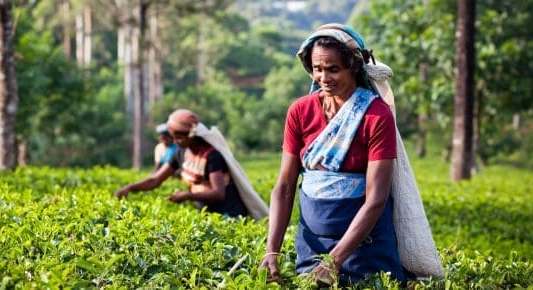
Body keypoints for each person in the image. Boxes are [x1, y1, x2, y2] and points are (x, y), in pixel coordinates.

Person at [260, 24, 405, 286]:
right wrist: (272, 251)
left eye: (333, 69)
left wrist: (334, 261)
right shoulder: (300, 111)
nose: (324, 78)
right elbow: (284, 187)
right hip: (312, 247)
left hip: (366, 251)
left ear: (353, 67)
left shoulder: (376, 115)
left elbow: (376, 199)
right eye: (318, 69)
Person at [114, 109, 269, 220]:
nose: (175, 142)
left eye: (179, 138)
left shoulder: (211, 156)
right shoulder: (180, 153)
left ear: (191, 135)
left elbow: (218, 193)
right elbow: (155, 180)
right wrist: (130, 188)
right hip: (205, 212)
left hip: (229, 214)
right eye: (173, 137)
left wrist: (188, 195)